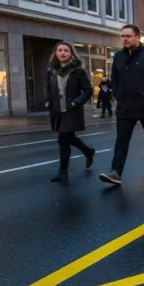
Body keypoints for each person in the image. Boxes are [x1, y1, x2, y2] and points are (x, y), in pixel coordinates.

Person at [99, 24, 144, 185]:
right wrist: (117, 93)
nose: (125, 39)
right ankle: (116, 172)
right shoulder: (118, 57)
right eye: (123, 36)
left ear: (138, 37)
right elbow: (114, 79)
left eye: (128, 36)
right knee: (121, 139)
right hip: (125, 106)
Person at [45, 42, 96, 182]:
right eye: (60, 50)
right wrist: (48, 101)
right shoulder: (51, 70)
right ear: (55, 53)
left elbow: (88, 90)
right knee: (69, 137)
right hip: (57, 109)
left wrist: (76, 102)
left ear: (71, 53)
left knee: (63, 139)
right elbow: (48, 88)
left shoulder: (78, 70)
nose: (62, 53)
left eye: (66, 51)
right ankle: (88, 151)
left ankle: (63, 172)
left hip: (71, 109)